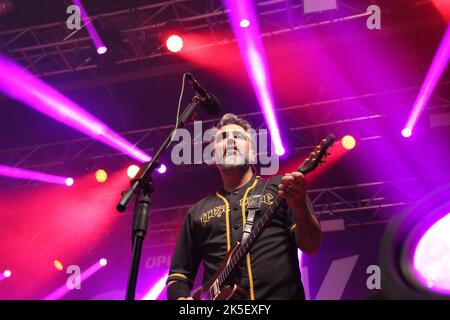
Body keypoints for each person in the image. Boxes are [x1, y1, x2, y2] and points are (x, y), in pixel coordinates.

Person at [166, 113, 321, 300]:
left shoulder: (282, 189)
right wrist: (181, 299)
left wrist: (300, 207)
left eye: (238, 137)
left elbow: (311, 246)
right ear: (213, 157)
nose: (231, 141)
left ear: (253, 152)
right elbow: (178, 275)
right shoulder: (197, 212)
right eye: (223, 138)